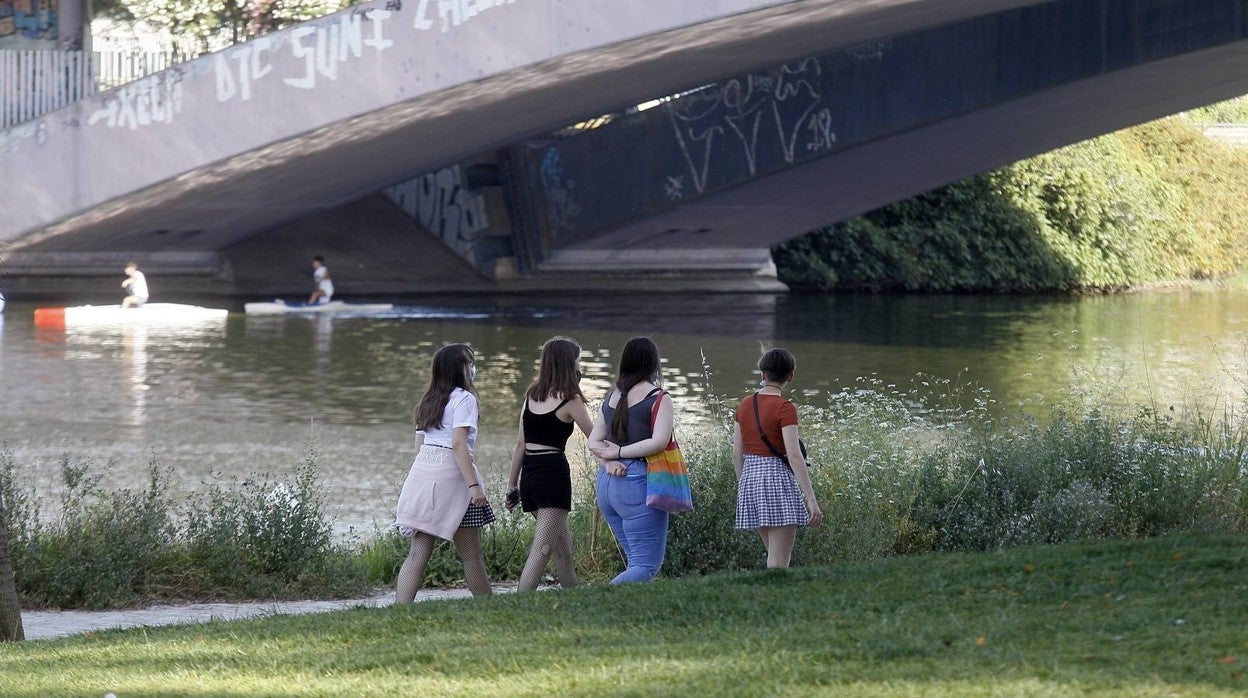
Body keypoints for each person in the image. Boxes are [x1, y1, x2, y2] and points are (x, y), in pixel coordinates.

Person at [506, 337, 618, 591]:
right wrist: (611, 461)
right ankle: (520, 603)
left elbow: (520, 445)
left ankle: (573, 596)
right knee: (543, 548)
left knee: (564, 547)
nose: (581, 366)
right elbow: (595, 439)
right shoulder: (570, 400)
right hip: (552, 475)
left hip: (530, 477)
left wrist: (512, 486)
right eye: (578, 360)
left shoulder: (531, 396)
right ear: (569, 364)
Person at [394, 343, 495, 603]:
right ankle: (488, 605)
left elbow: (419, 447)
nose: (473, 368)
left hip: (423, 476)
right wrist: (474, 486)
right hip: (455, 481)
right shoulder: (464, 399)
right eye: (470, 363)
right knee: (471, 554)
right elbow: (458, 444)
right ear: (458, 368)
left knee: (417, 552)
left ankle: (399, 609)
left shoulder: (428, 400)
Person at [588, 337, 675, 584]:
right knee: (645, 565)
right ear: (653, 364)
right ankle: (601, 601)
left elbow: (594, 442)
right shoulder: (658, 397)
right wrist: (617, 455)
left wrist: (608, 463)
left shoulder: (612, 396)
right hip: (637, 481)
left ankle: (623, 611)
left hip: (607, 484)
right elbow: (659, 442)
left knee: (633, 559)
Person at [733, 348, 823, 568]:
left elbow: (737, 453)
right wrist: (811, 499)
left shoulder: (744, 404)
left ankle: (772, 596)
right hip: (776, 481)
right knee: (779, 562)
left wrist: (742, 484)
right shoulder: (785, 408)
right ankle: (774, 599)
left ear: (763, 375)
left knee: (774, 554)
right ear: (791, 376)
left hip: (750, 480)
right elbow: (794, 455)